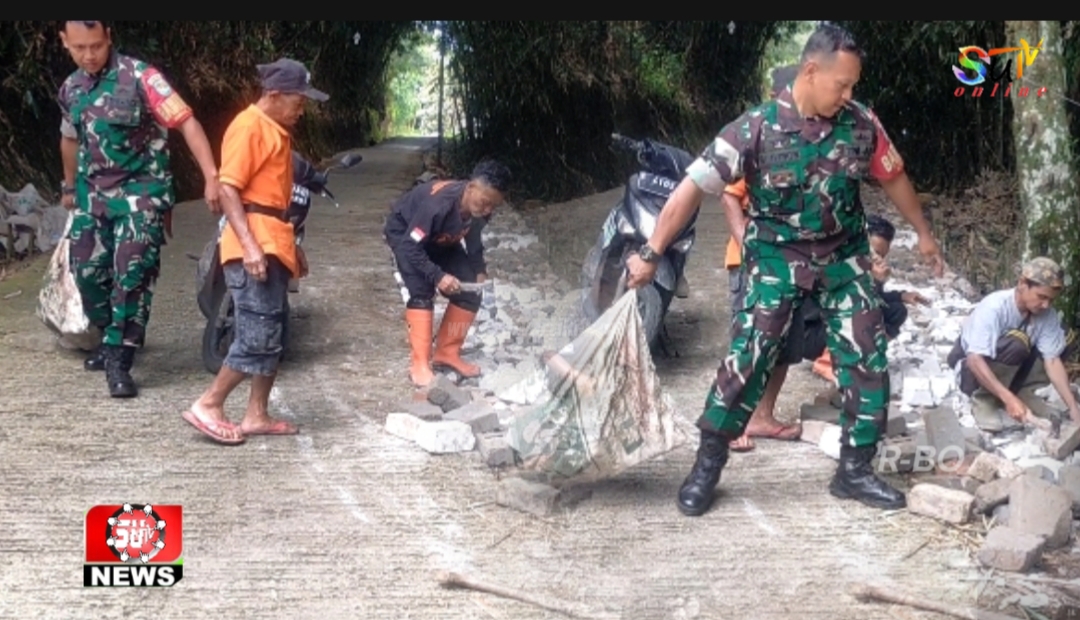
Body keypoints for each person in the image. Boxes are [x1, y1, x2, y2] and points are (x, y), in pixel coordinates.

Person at [625, 23, 946, 516]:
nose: (849, 93)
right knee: (748, 357)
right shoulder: (754, 129)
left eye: (854, 85)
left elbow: (893, 175)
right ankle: (708, 464)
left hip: (844, 256)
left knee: (867, 358)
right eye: (843, 83)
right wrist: (651, 252)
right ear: (811, 70)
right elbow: (691, 187)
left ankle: (855, 471)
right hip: (777, 258)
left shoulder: (860, 123)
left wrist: (923, 233)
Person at [57, 20, 221, 398]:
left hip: (141, 194)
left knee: (131, 274)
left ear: (109, 36)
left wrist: (211, 175)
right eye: (79, 47)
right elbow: (69, 138)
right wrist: (68, 187)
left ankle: (119, 356)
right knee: (87, 272)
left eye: (96, 46)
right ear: (64, 42)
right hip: (92, 196)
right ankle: (113, 332)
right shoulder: (71, 87)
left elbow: (187, 123)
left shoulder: (142, 77)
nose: (89, 55)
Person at [181, 58, 329, 445]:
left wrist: (290, 245)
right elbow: (229, 188)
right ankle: (209, 404)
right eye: (300, 99)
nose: (303, 107)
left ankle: (256, 413)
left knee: (274, 329)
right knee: (256, 335)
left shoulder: (274, 130)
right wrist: (249, 244)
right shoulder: (249, 127)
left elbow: (274, 200)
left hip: (272, 237)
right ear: (275, 95)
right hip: (254, 240)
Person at [724, 64, 803, 452]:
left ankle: (762, 417)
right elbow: (728, 193)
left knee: (785, 345)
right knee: (748, 340)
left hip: (796, 264)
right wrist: (746, 244)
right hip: (753, 262)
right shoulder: (759, 136)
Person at [384, 160, 512, 387]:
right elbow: (410, 247)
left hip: (440, 236)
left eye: (493, 206)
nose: (487, 210)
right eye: (485, 203)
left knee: (470, 291)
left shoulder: (480, 208)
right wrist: (438, 276)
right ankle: (420, 364)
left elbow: (472, 235)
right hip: (407, 235)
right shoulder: (437, 205)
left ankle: (446, 352)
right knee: (422, 292)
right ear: (470, 187)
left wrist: (479, 268)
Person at [947, 257, 1080, 432]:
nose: (1046, 305)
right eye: (1041, 297)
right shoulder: (994, 307)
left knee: (1063, 337)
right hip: (970, 372)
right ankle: (985, 401)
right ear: (1022, 284)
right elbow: (975, 360)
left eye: (1051, 300)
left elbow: (1052, 360)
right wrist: (1009, 399)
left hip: (1013, 373)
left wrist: (1073, 407)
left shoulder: (1046, 314)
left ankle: (1025, 392)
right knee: (1017, 342)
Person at [811, 214, 930, 383]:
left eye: (882, 255)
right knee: (868, 311)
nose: (876, 258)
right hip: (815, 330)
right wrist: (871, 280)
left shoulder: (867, 265)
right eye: (873, 252)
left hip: (840, 323)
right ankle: (830, 362)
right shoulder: (837, 256)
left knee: (896, 311)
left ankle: (866, 358)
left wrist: (901, 295)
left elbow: (878, 298)